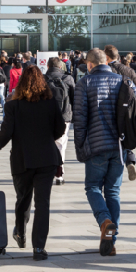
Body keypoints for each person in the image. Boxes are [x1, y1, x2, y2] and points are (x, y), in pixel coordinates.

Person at [0, 65, 65, 261]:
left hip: (22, 159)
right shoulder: (50, 103)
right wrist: (47, 137)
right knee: (43, 203)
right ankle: (38, 247)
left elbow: (6, 133)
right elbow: (60, 128)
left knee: (23, 198)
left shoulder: (13, 106)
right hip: (47, 158)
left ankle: (20, 232)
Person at [73, 48, 128, 257]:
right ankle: (111, 243)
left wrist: (80, 146)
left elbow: (80, 118)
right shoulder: (122, 81)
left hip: (96, 145)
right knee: (113, 192)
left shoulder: (84, 83)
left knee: (92, 187)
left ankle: (105, 221)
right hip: (119, 146)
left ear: (89, 64)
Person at [44, 57, 75, 185]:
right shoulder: (68, 78)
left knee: (45, 145)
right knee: (61, 145)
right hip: (64, 116)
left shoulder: (42, 78)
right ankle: (59, 175)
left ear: (47, 66)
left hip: (45, 117)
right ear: (60, 66)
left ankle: (46, 172)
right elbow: (74, 98)